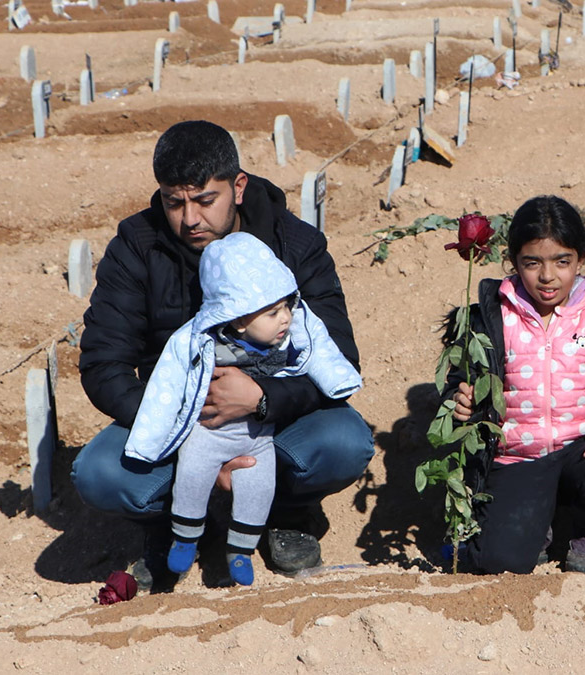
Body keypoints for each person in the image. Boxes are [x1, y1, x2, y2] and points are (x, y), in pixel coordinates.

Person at [72, 120, 374, 590]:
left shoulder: (293, 245)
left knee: (344, 442)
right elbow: (102, 364)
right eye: (174, 202)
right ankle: (174, 524)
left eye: (204, 200)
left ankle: (285, 513)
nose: (189, 218)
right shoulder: (137, 247)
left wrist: (262, 398)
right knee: (100, 473)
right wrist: (189, 423)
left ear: (238, 187)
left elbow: (337, 355)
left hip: (273, 422)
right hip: (176, 416)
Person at [124, 233, 362, 586]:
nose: (285, 318)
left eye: (286, 307)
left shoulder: (294, 331)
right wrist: (149, 440)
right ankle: (185, 538)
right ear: (238, 320)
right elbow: (166, 387)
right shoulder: (198, 340)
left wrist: (334, 380)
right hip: (206, 433)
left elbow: (322, 352)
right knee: (191, 475)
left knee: (257, 487)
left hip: (259, 438)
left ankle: (241, 551)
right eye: (272, 312)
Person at [445, 195, 585, 576]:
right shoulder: (489, 322)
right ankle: (535, 525)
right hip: (517, 460)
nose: (547, 276)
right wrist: (460, 402)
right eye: (532, 263)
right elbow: (459, 383)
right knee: (499, 564)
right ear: (514, 262)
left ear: (581, 259)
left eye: (562, 262)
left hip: (581, 452)